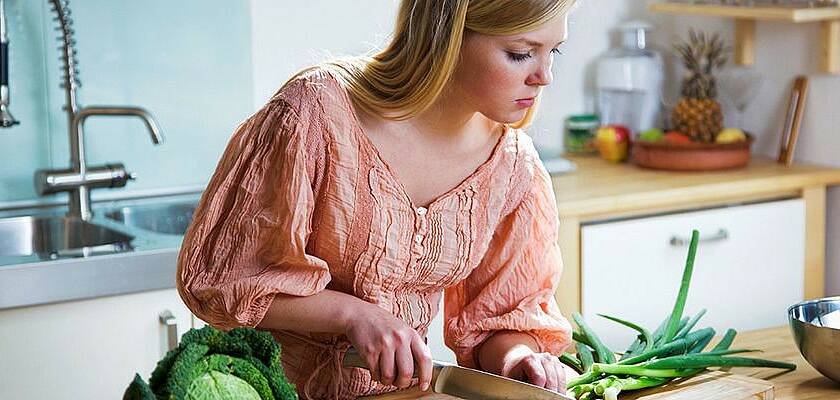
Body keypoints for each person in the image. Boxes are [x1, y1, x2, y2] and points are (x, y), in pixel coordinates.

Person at [176, 1, 576, 399]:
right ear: (449, 37)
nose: (544, 77)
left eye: (553, 51)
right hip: (269, 389)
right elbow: (221, 277)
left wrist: (518, 359)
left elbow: (498, 318)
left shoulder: (511, 166)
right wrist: (353, 314)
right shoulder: (315, 114)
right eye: (521, 54)